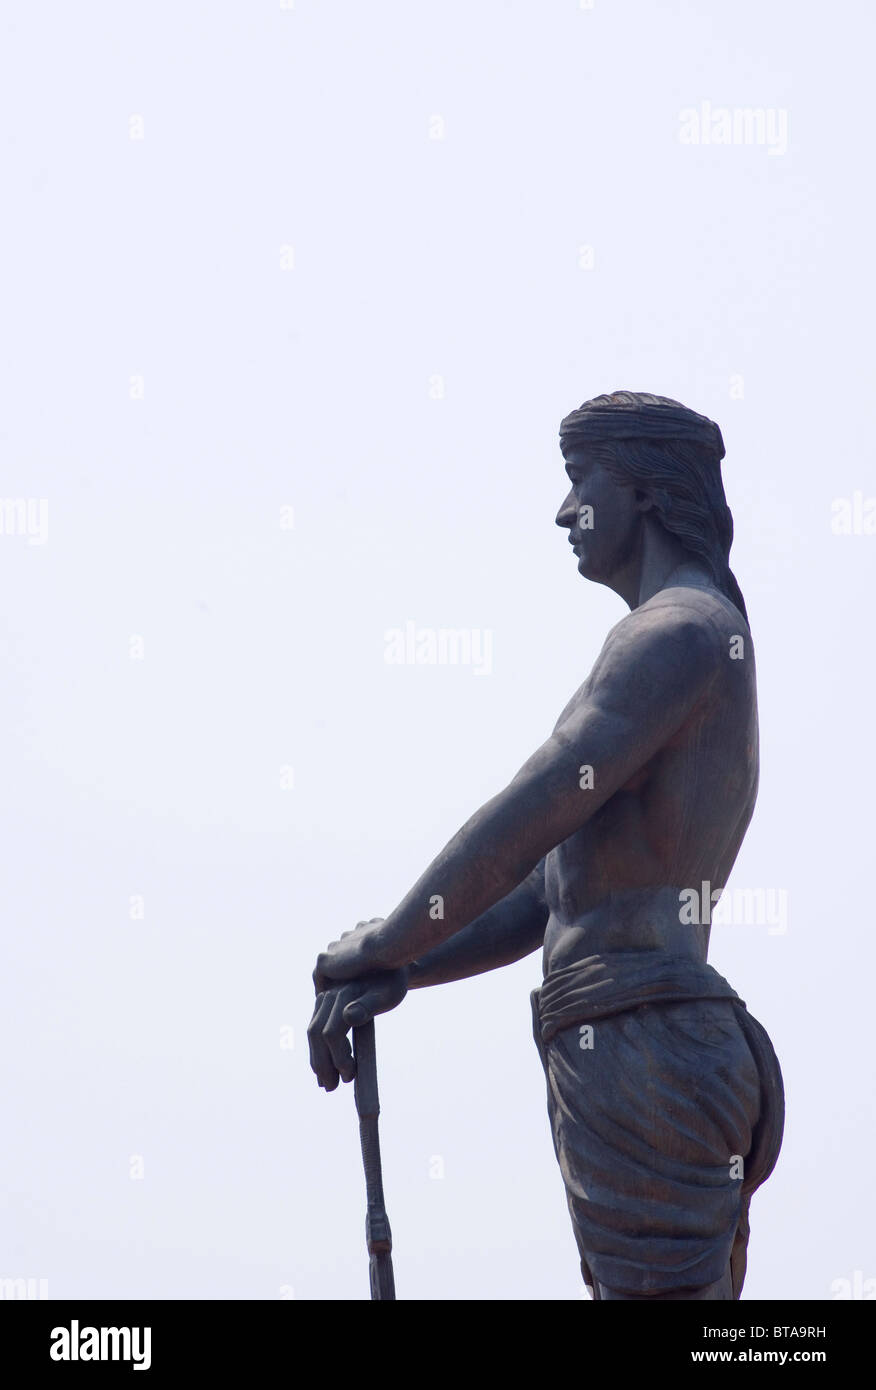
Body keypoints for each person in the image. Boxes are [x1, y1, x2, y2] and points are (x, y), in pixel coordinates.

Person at [308, 390, 784, 1300]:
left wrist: (385, 937)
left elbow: (528, 812)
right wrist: (406, 965)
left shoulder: (675, 634)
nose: (564, 511)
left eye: (579, 480)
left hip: (646, 1049)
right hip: (654, 1044)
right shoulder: (696, 635)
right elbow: (547, 892)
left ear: (641, 490)